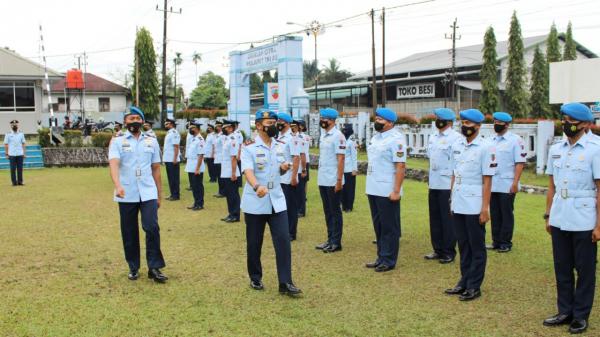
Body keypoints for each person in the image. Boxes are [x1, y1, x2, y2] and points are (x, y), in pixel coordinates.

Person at [543, 102, 600, 334]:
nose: (566, 124)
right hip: (560, 215)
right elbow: (551, 185)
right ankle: (564, 311)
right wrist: (548, 215)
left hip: (584, 217)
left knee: (585, 270)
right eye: (564, 119)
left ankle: (580, 315)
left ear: (585, 124)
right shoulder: (557, 148)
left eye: (571, 121)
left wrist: (599, 224)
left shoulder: (595, 148)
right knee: (562, 267)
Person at [240, 109, 302, 296]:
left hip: (277, 199)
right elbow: (248, 171)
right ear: (259, 125)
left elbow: (281, 168)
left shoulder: (280, 145)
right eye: (269, 123)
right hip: (256, 199)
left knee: (283, 241)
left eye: (275, 122)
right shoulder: (249, 147)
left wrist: (284, 168)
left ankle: (285, 282)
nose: (273, 126)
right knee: (254, 242)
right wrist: (256, 186)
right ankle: (255, 277)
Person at [108, 106, 167, 283]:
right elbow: (114, 164)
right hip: (126, 192)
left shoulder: (151, 141)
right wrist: (117, 185)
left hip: (148, 191)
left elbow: (156, 168)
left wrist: (159, 194)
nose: (134, 121)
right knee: (129, 231)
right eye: (130, 118)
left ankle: (154, 267)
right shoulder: (117, 141)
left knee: (152, 227)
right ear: (125, 122)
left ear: (142, 121)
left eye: (137, 118)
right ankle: (133, 267)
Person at [444, 108, 495, 301]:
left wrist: (485, 208)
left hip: (475, 202)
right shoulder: (458, 145)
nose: (465, 126)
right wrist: (451, 198)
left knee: (476, 246)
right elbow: (454, 174)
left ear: (478, 126)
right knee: (463, 245)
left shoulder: (485, 147)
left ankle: (474, 286)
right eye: (463, 123)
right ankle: (463, 281)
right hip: (458, 199)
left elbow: (487, 181)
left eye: (468, 124)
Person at [365, 108, 406, 272]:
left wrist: (396, 190)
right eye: (376, 119)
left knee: (390, 226)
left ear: (390, 122)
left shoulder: (397, 139)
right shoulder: (376, 138)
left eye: (381, 119)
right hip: (373, 187)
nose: (377, 122)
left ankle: (389, 259)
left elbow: (401, 166)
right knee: (379, 226)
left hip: (388, 189)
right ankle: (381, 256)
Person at [424, 108, 461, 264]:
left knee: (447, 220)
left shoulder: (456, 138)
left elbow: (457, 163)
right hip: (434, 183)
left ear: (449, 122)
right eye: (436, 117)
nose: (437, 120)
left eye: (440, 118)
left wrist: (454, 187)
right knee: (435, 218)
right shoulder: (433, 137)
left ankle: (448, 251)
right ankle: (437, 249)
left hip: (447, 184)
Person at [488, 112, 526, 253]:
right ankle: (496, 241)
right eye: (495, 122)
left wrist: (515, 183)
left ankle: (505, 243)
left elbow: (520, 163)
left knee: (506, 213)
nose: (496, 124)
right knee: (495, 212)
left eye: (499, 123)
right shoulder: (491, 140)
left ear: (507, 124)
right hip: (493, 183)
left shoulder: (515, 140)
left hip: (507, 183)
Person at [315, 108, 346, 253]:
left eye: (325, 118)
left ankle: (336, 242)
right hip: (323, 179)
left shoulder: (338, 136)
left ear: (332, 120)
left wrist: (339, 180)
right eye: (321, 118)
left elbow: (341, 159)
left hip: (334, 179)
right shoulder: (324, 135)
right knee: (327, 211)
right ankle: (329, 239)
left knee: (335, 211)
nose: (322, 121)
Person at [276, 112, 301, 241]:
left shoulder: (292, 138)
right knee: (281, 205)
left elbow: (296, 158)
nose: (278, 123)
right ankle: (284, 230)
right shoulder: (278, 137)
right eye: (277, 120)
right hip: (279, 176)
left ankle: (291, 232)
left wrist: (294, 177)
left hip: (288, 177)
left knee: (290, 206)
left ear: (287, 123)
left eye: (281, 121)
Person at [220, 120, 241, 222]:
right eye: (224, 127)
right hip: (226, 170)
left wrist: (233, 173)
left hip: (231, 171)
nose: (224, 129)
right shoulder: (227, 139)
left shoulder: (233, 139)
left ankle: (235, 215)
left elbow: (233, 158)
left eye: (227, 127)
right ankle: (230, 213)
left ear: (231, 128)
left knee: (233, 194)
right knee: (229, 194)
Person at [185, 122, 205, 211]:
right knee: (193, 186)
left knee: (198, 186)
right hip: (191, 166)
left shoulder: (200, 139)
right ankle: (196, 202)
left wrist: (197, 168)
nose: (190, 130)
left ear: (196, 129)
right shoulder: (193, 139)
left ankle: (200, 204)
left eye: (192, 128)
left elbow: (200, 155)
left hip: (197, 166)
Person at [340, 124, 358, 212]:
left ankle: (349, 206)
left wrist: (355, 169)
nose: (344, 131)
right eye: (343, 129)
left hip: (350, 169)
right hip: (342, 168)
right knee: (342, 188)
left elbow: (354, 156)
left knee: (349, 189)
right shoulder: (342, 139)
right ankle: (343, 205)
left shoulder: (352, 140)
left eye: (346, 130)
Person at [3, 120, 26, 186]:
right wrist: (7, 154)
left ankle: (20, 182)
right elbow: (6, 144)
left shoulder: (21, 133)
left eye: (16, 124)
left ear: (18, 125)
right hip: (12, 154)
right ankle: (14, 182)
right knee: (12, 169)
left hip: (20, 154)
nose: (14, 125)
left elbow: (23, 143)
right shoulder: (8, 134)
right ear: (11, 126)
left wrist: (24, 153)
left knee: (20, 168)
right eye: (13, 125)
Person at [163, 118, 181, 201]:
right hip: (168, 159)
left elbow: (176, 146)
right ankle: (172, 194)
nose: (165, 125)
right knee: (170, 178)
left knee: (174, 178)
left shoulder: (174, 133)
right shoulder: (169, 133)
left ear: (171, 124)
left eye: (167, 124)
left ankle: (176, 195)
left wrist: (175, 158)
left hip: (172, 159)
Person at [297, 120, 311, 217]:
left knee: (301, 187)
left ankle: (301, 210)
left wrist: (303, 168)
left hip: (303, 162)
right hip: (300, 162)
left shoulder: (303, 137)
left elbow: (303, 152)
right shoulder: (299, 136)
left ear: (301, 127)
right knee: (300, 186)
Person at [213, 121, 226, 198]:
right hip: (217, 158)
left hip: (221, 158)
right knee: (219, 176)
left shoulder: (223, 136)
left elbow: (224, 147)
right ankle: (220, 191)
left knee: (221, 176)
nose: (216, 128)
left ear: (220, 127)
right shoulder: (217, 135)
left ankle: (223, 192)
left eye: (217, 126)